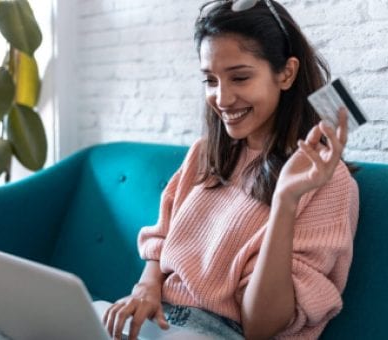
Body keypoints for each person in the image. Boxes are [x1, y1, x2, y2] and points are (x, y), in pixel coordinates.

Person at [102, 0, 359, 339]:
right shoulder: (205, 153)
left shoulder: (328, 182)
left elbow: (261, 327)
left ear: (286, 73)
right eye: (210, 80)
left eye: (239, 77)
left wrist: (285, 199)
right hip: (157, 318)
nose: (222, 99)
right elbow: (162, 242)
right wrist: (145, 288)